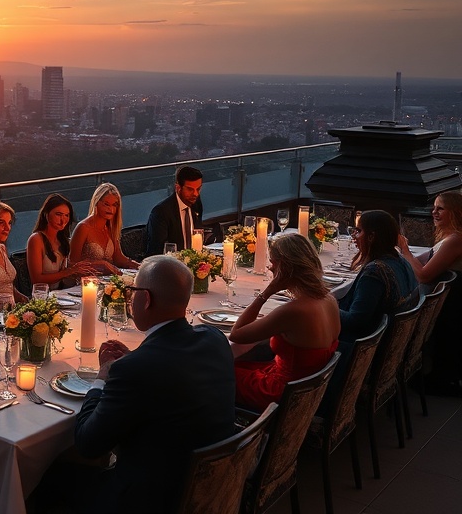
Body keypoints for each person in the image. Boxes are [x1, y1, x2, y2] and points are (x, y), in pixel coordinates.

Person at [71, 254, 236, 513]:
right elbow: (170, 368)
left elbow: (87, 445)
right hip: (213, 489)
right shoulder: (214, 338)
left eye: (132, 291)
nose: (130, 298)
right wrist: (136, 359)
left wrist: (102, 377)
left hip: (151, 500)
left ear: (146, 299)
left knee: (54, 480)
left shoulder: (134, 370)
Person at [229, 234, 340, 411]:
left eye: (273, 262)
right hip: (302, 389)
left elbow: (237, 334)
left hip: (281, 393)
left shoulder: (295, 310)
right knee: (236, 364)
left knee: (212, 372)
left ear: (285, 267)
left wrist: (267, 292)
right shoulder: (329, 299)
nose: (269, 267)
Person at [397, 191, 462, 394]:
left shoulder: (456, 239)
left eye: (440, 208)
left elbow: (423, 275)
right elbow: (423, 260)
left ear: (456, 212)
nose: (434, 212)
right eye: (434, 208)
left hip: (452, 305)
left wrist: (405, 250)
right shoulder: (449, 237)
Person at [339, 210, 419, 346]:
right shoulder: (401, 261)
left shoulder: (374, 273)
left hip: (361, 349)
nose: (354, 236)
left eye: (358, 231)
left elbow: (355, 321)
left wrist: (327, 306)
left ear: (371, 237)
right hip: (391, 343)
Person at [69, 183, 139, 275]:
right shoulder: (83, 227)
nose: (111, 209)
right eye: (106, 204)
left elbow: (118, 258)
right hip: (86, 282)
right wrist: (102, 264)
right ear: (97, 202)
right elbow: (73, 263)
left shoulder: (111, 227)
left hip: (108, 281)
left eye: (114, 205)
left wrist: (140, 266)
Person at [28, 193, 95, 289]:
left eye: (66, 215)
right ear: (46, 213)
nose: (63, 220)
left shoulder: (63, 240)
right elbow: (36, 279)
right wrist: (68, 272)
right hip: (42, 297)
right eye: (58, 214)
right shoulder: (36, 239)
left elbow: (67, 274)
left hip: (60, 294)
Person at [145, 165, 204, 256]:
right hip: (171, 265)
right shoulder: (161, 212)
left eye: (198, 189)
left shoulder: (196, 204)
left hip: (193, 261)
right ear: (178, 188)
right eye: (190, 189)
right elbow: (156, 250)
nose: (195, 194)